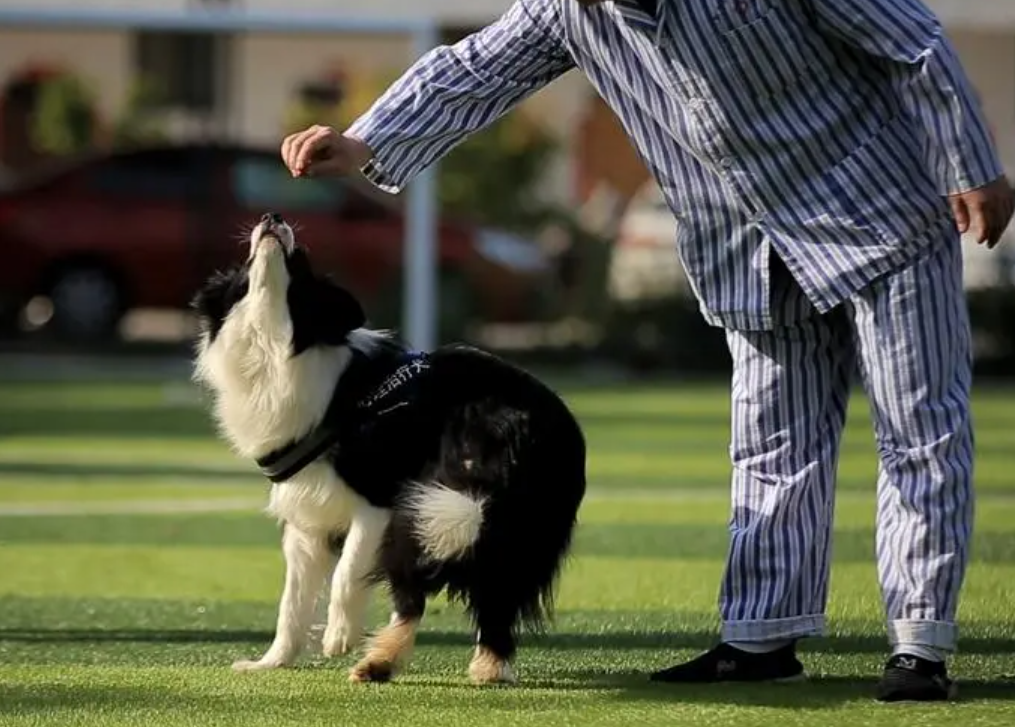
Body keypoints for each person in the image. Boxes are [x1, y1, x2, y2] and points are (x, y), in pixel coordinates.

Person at [280, 0, 1015, 702]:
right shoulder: (567, 11)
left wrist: (968, 162)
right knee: (771, 439)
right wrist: (366, 138)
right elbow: (475, 67)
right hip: (748, 240)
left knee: (918, 428)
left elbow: (910, 39)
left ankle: (919, 644)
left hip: (877, 209)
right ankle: (758, 640)